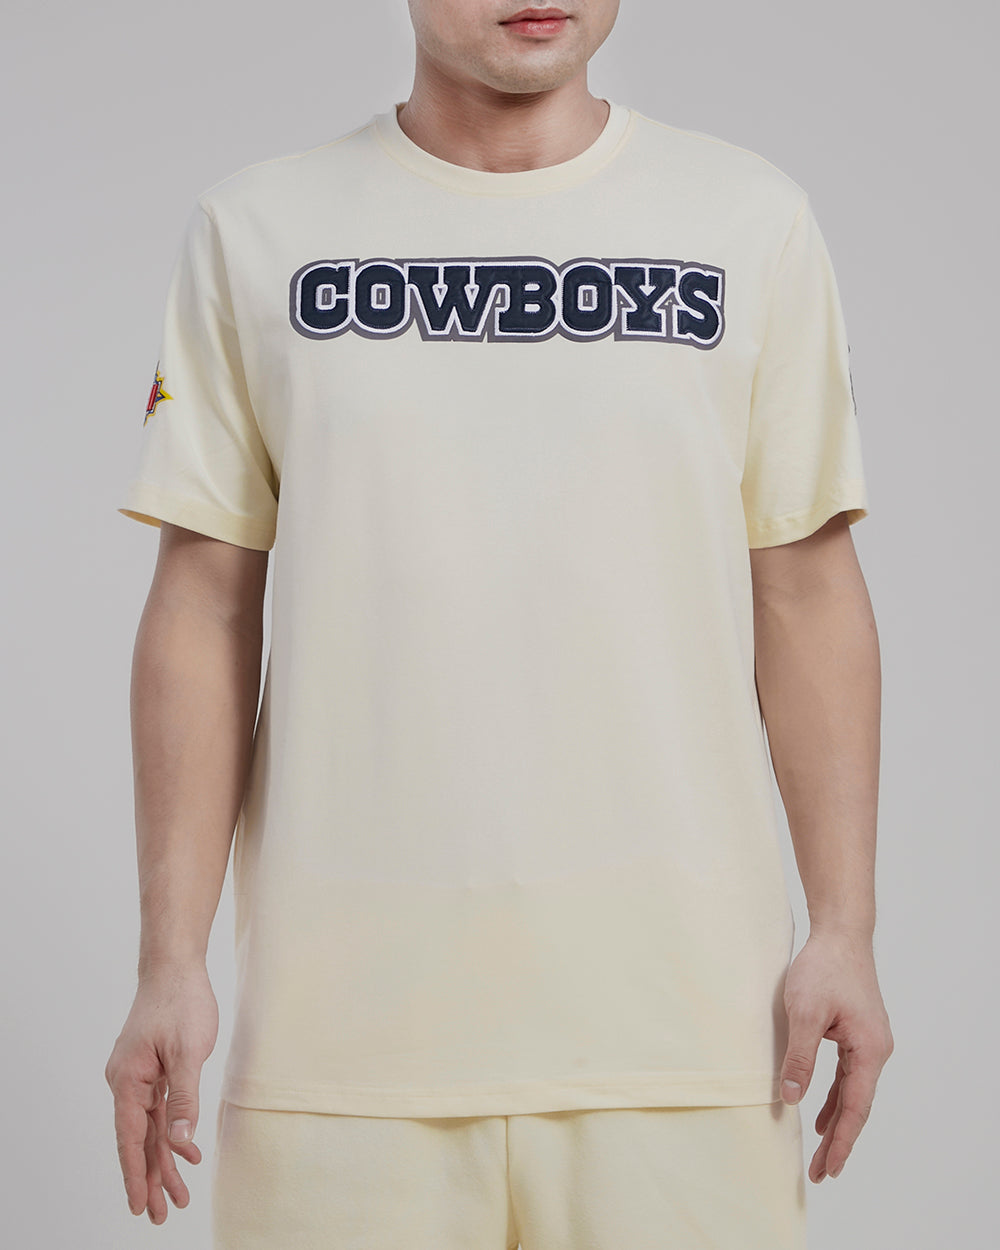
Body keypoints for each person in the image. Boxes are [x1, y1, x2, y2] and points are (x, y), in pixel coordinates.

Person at [104, 1, 894, 1245]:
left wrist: (844, 926)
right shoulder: (259, 230)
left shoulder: (747, 221)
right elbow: (203, 601)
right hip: (342, 1047)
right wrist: (170, 959)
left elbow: (804, 587)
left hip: (683, 1039)